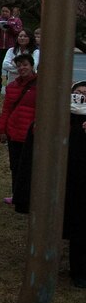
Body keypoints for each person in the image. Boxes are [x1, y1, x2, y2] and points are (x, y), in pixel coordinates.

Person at [0, 53, 37, 208]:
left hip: (31, 134)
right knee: (16, 166)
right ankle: (17, 195)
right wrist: (1, 129)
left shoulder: (41, 85)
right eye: (19, 65)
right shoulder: (12, 87)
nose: (22, 68)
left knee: (32, 167)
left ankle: (32, 196)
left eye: (25, 64)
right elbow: (6, 109)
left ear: (32, 66)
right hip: (15, 133)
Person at [65, 81, 86, 289]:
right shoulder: (64, 116)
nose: (81, 97)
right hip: (73, 180)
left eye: (85, 94)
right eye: (77, 93)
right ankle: (78, 271)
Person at [0, 4, 22, 93]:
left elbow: (18, 32)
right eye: (3, 11)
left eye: (6, 11)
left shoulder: (16, 21)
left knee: (11, 67)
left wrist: (10, 27)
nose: (4, 13)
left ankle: (10, 86)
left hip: (11, 48)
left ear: (10, 12)